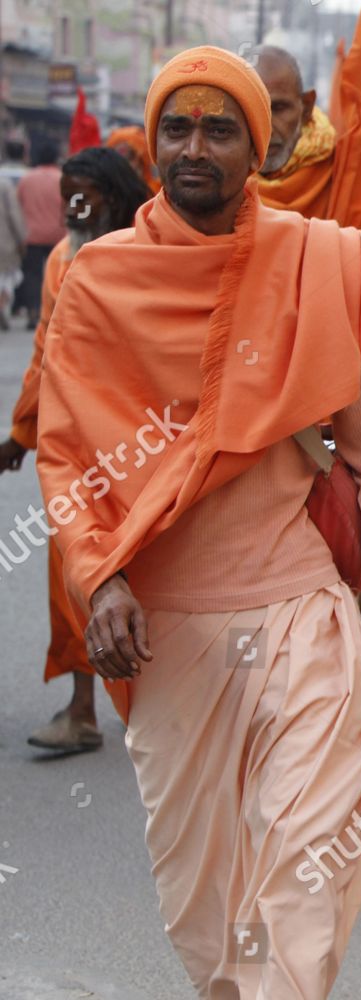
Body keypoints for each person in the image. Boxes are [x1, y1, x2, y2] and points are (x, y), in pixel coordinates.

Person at [36, 47, 361, 997]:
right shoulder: (97, 283)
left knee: (301, 876)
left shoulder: (328, 264)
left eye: (221, 129)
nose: (195, 148)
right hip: (167, 641)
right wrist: (98, 581)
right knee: (205, 909)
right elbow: (68, 463)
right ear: (152, 143)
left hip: (301, 616)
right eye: (176, 127)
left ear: (258, 148)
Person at [0, 147, 151, 754]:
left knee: (154, 575)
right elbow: (43, 351)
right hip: (77, 446)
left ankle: (164, 705)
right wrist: (21, 433)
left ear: (112, 197)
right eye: (66, 195)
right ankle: (82, 708)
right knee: (73, 572)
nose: (71, 206)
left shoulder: (152, 250)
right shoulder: (62, 258)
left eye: (82, 194)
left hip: (146, 441)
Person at [253, 0, 361, 239]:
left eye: (279, 108)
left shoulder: (343, 173)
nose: (267, 126)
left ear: (307, 106)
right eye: (251, 109)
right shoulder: (216, 180)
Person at [14, 137, 63, 327]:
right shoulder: (62, 179)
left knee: (32, 275)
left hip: (32, 235)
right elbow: (72, 206)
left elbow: (19, 206)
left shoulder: (27, 180)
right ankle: (53, 312)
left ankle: (33, 312)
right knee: (56, 275)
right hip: (58, 236)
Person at [0, 162, 24, 331]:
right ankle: (1, 304)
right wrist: (21, 239)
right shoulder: (5, 186)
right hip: (4, 241)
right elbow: (14, 215)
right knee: (6, 279)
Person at [106, 125, 160, 193]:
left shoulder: (159, 191)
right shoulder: (108, 195)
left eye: (130, 157)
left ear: (142, 158)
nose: (126, 164)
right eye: (119, 159)